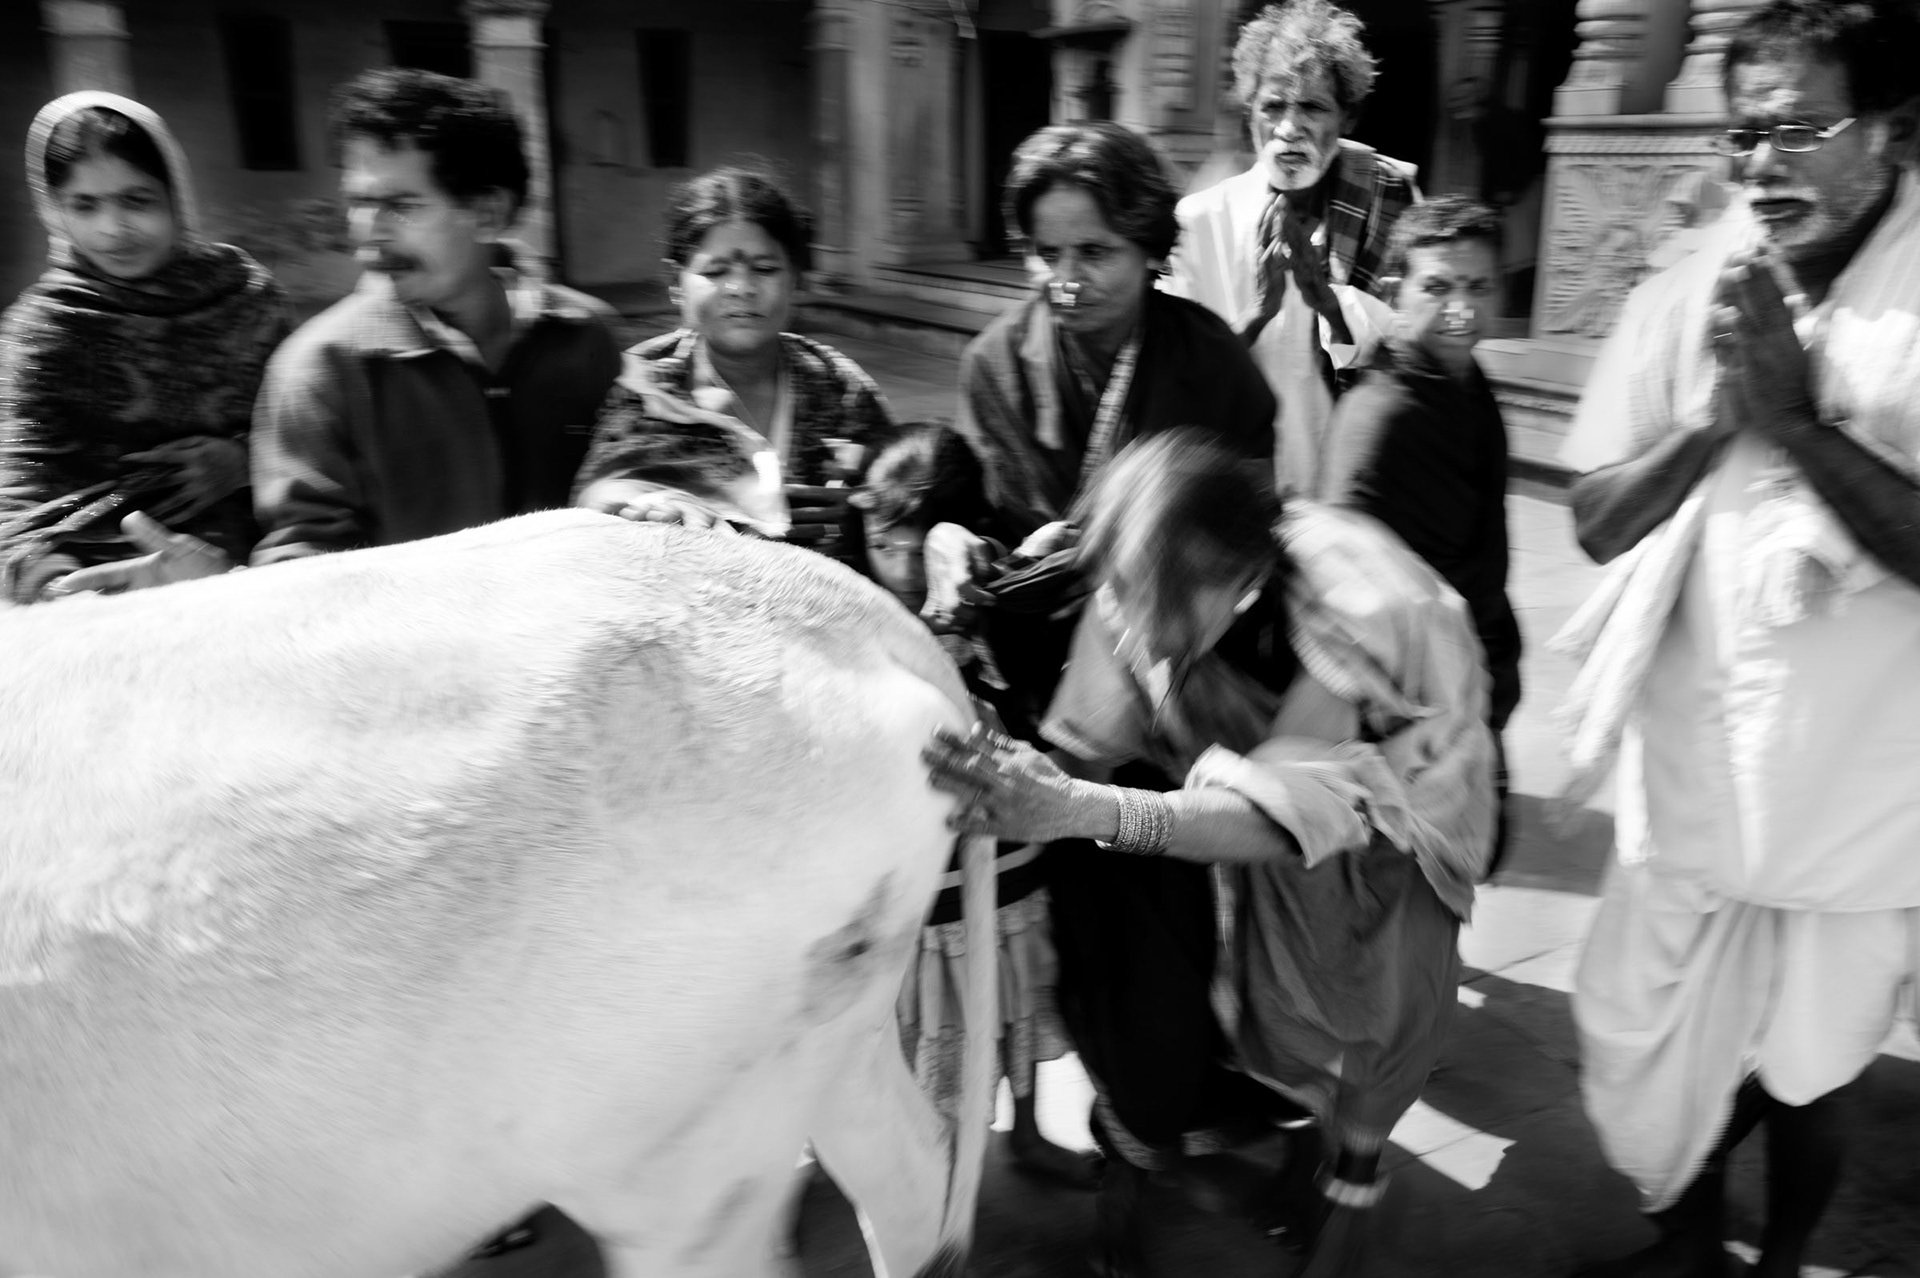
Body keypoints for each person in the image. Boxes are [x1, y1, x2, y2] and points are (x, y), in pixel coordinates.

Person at [924, 430, 1494, 1278]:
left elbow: (1280, 818)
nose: (1139, 634)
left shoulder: (1350, 611)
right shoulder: (1133, 575)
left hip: (1399, 823)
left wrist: (1078, 809)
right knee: (1261, 1007)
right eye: (1123, 594)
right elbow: (1084, 742)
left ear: (1239, 585)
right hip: (1253, 802)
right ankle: (1268, 1140)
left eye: (1160, 608)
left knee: (1378, 1010)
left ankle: (1348, 1190)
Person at [1556, 3, 1920, 1275]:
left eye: (1799, 129)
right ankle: (1691, 1241)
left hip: (1860, 807)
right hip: (1693, 790)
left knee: (1813, 1072)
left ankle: (1784, 1256)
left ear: (1891, 133)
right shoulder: (1683, 291)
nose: (1759, 164)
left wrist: (1805, 429)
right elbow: (1596, 517)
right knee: (1637, 1040)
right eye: (1743, 131)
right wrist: (1716, 424)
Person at [248, 68, 620, 565]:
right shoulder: (319, 370)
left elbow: (630, 487)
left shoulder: (586, 337)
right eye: (359, 202)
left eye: (400, 206)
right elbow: (303, 568)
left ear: (489, 213)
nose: (366, 233)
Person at [853, 420, 1091, 1187]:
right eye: (880, 543)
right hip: (925, 884)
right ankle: (938, 1174)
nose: (893, 564)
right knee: (942, 1034)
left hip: (1009, 858)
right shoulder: (855, 614)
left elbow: (1024, 696)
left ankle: (1026, 1132)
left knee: (1014, 1003)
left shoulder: (994, 600)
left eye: (907, 545)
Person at [0, 92, 287, 603]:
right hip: (99, 611)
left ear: (175, 196)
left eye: (137, 200)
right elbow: (18, 508)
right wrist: (62, 593)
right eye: (84, 205)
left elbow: (313, 441)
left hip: (258, 589)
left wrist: (242, 461)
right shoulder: (45, 332)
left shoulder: (247, 300)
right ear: (55, 210)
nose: (113, 229)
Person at [948, 122, 1277, 552]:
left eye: (1093, 253)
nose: (1065, 281)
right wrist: (952, 541)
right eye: (1047, 254)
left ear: (1150, 250)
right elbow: (969, 515)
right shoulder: (994, 363)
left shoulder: (1212, 358)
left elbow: (1253, 516)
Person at [1323, 196, 1520, 870]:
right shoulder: (1382, 416)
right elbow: (1340, 594)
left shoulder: (1467, 383)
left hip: (1470, 680)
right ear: (1393, 293)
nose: (1460, 308)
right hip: (1410, 714)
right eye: (1437, 286)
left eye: (1477, 287)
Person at [574, 167, 890, 570]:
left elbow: (904, 498)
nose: (741, 288)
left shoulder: (841, 388)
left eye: (765, 269)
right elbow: (591, 510)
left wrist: (863, 517)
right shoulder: (645, 388)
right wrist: (645, 503)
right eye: (716, 271)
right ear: (676, 282)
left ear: (796, 279)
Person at [1163, 0, 1419, 497]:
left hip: (1356, 487)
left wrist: (1326, 302)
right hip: (1234, 487)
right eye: (1273, 106)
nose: (1288, 128)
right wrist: (1260, 314)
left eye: (1312, 107)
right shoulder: (1200, 222)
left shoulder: (1390, 199)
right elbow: (1180, 382)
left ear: (1346, 118)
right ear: (1250, 111)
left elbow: (1408, 357)